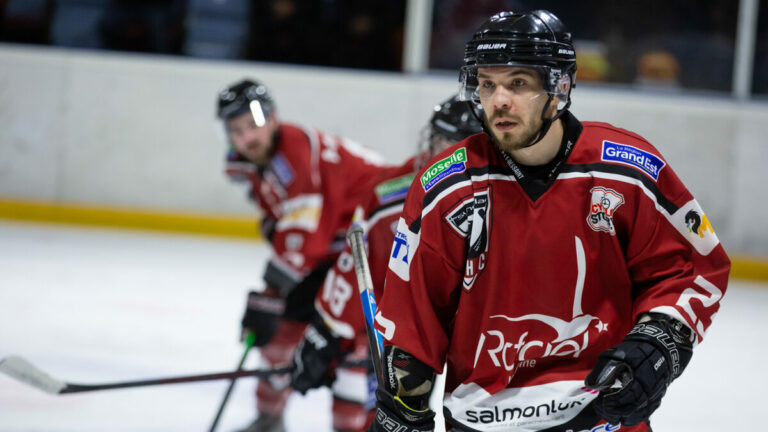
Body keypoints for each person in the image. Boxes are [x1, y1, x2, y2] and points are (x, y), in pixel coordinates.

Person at [368, 10, 731, 432]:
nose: (499, 100)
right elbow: (413, 315)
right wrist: (401, 406)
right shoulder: (447, 186)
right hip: (484, 417)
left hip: (601, 414)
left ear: (559, 86)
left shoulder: (628, 170)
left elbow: (692, 267)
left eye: (518, 83)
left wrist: (658, 341)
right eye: (487, 84)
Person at [288, 96, 483, 431]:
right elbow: (357, 272)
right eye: (440, 143)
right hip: (410, 334)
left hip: (483, 337)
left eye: (458, 148)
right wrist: (328, 331)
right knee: (378, 410)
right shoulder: (391, 195)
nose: (444, 156)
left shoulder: (511, 197)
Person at [217, 78, 385, 432]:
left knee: (347, 346)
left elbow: (304, 238)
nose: (248, 137)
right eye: (236, 130)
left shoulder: (294, 149)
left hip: (369, 248)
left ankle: (349, 427)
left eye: (254, 124)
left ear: (273, 118)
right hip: (333, 251)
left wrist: (271, 292)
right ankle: (268, 420)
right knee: (280, 334)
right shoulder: (255, 161)